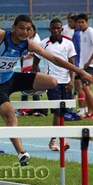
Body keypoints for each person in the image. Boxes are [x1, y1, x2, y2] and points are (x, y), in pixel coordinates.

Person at [0, 1, 93, 166]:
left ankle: (28, 90)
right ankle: (21, 152)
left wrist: (80, 71)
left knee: (52, 81)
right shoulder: (0, 35)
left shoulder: (28, 44)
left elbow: (54, 58)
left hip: (12, 79)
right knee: (9, 115)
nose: (24, 32)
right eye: (21, 28)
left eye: (28, 29)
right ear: (14, 27)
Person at [32, 18, 76, 151]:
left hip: (66, 82)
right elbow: (35, 64)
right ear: (49, 29)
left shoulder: (69, 43)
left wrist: (72, 80)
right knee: (57, 112)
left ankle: (56, 140)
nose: (56, 30)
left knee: (63, 113)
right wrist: (40, 80)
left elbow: (72, 64)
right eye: (53, 28)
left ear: (62, 29)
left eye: (58, 28)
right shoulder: (43, 43)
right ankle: (59, 140)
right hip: (52, 82)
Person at [77, 13, 93, 119]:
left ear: (87, 22)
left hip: (90, 65)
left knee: (86, 87)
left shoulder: (91, 31)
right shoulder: (81, 33)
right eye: (79, 22)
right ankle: (89, 112)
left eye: (83, 22)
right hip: (83, 65)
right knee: (84, 87)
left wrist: (90, 60)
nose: (81, 24)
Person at [71, 15, 87, 116]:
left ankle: (82, 108)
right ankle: (84, 108)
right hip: (80, 63)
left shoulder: (76, 35)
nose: (70, 24)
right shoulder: (80, 34)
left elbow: (76, 51)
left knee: (79, 87)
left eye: (71, 22)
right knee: (82, 87)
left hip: (77, 64)